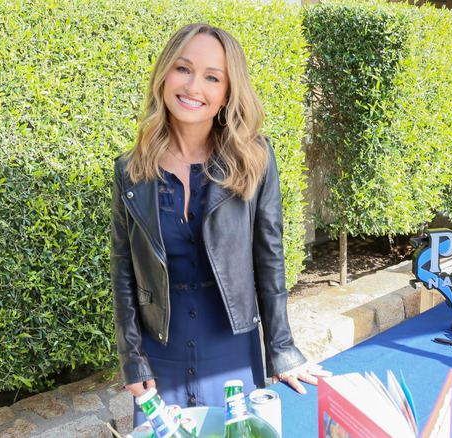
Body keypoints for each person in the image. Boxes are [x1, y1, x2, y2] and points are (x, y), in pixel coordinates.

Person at [110, 23, 329, 425]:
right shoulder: (130, 169)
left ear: (228, 92)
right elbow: (124, 268)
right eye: (183, 69)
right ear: (164, 75)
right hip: (160, 351)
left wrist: (281, 348)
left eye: (213, 77)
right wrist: (132, 359)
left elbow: (270, 257)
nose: (194, 87)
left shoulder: (255, 158)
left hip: (232, 341)